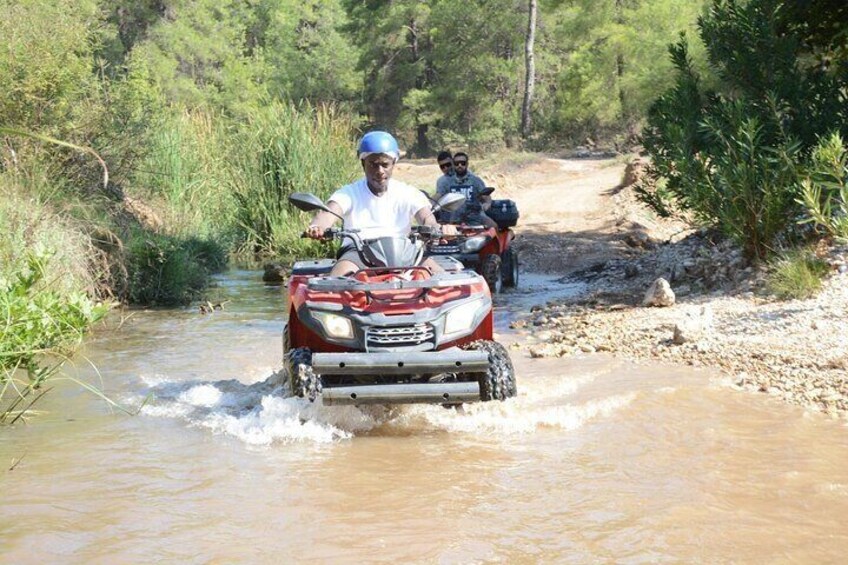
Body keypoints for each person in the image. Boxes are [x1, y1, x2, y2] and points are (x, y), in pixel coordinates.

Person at [305, 131, 457, 276]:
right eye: (373, 164)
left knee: (446, 282)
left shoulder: (408, 193)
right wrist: (318, 227)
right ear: (363, 163)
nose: (380, 171)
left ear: (393, 164)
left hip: (403, 252)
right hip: (358, 253)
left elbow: (427, 218)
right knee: (337, 281)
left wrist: (440, 229)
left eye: (385, 165)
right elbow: (328, 213)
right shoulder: (348, 193)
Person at [435, 151, 497, 229]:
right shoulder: (445, 181)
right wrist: (428, 203)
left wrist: (487, 204)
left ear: (467, 164)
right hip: (453, 217)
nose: (459, 165)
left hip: (474, 215)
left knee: (494, 227)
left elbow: (486, 196)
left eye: (462, 163)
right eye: (457, 163)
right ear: (454, 164)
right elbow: (438, 196)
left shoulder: (475, 180)